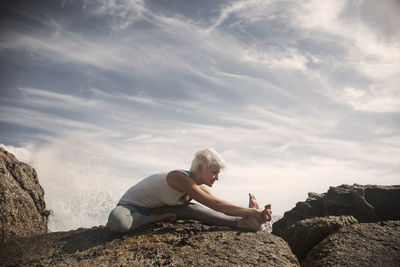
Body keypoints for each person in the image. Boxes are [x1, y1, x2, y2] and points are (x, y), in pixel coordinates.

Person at [108, 148, 272, 233]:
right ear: (200, 168)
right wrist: (255, 211)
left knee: (193, 210)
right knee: (118, 223)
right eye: (214, 172)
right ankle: (153, 219)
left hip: (160, 206)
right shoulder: (179, 178)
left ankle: (243, 223)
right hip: (131, 207)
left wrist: (251, 213)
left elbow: (219, 205)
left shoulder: (198, 187)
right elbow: (216, 205)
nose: (217, 177)